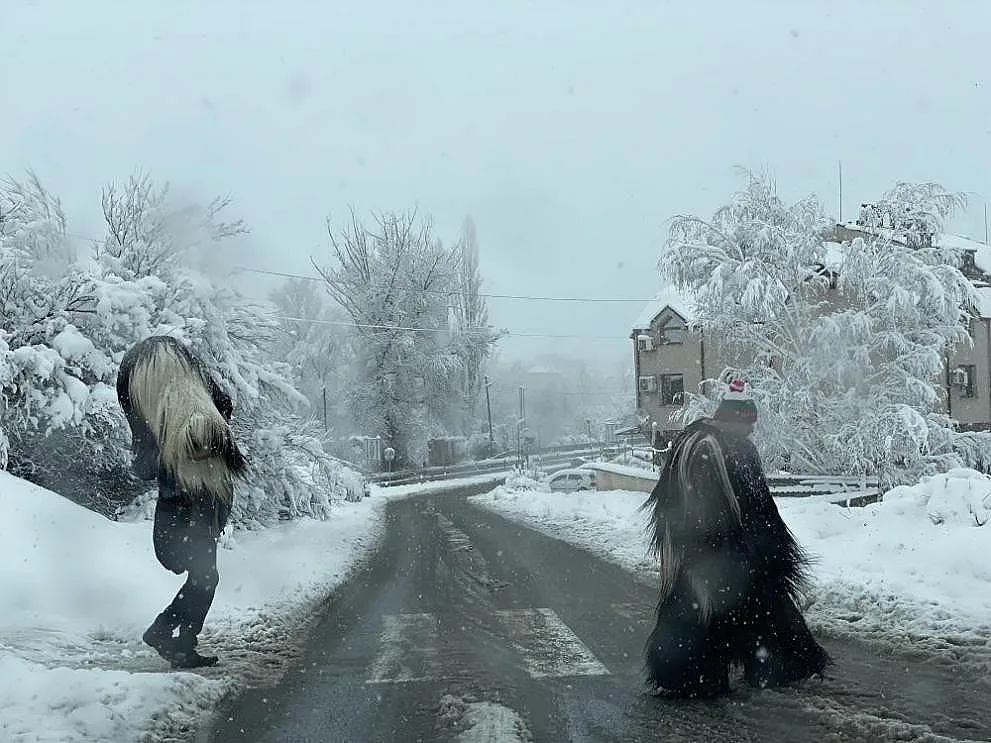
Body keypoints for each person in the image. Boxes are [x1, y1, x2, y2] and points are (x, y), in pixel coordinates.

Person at [641, 375, 830, 697]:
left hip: (729, 555)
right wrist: (733, 549)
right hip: (715, 555)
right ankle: (707, 675)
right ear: (731, 420)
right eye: (748, 423)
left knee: (730, 613)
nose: (752, 430)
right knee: (720, 614)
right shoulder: (707, 448)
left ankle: (702, 674)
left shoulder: (720, 446)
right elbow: (712, 508)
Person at [116, 335, 246, 669]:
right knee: (206, 577)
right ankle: (168, 635)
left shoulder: (141, 390)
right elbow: (224, 403)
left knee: (204, 577)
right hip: (195, 505)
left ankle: (178, 642)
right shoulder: (193, 378)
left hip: (178, 507)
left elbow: (143, 467)